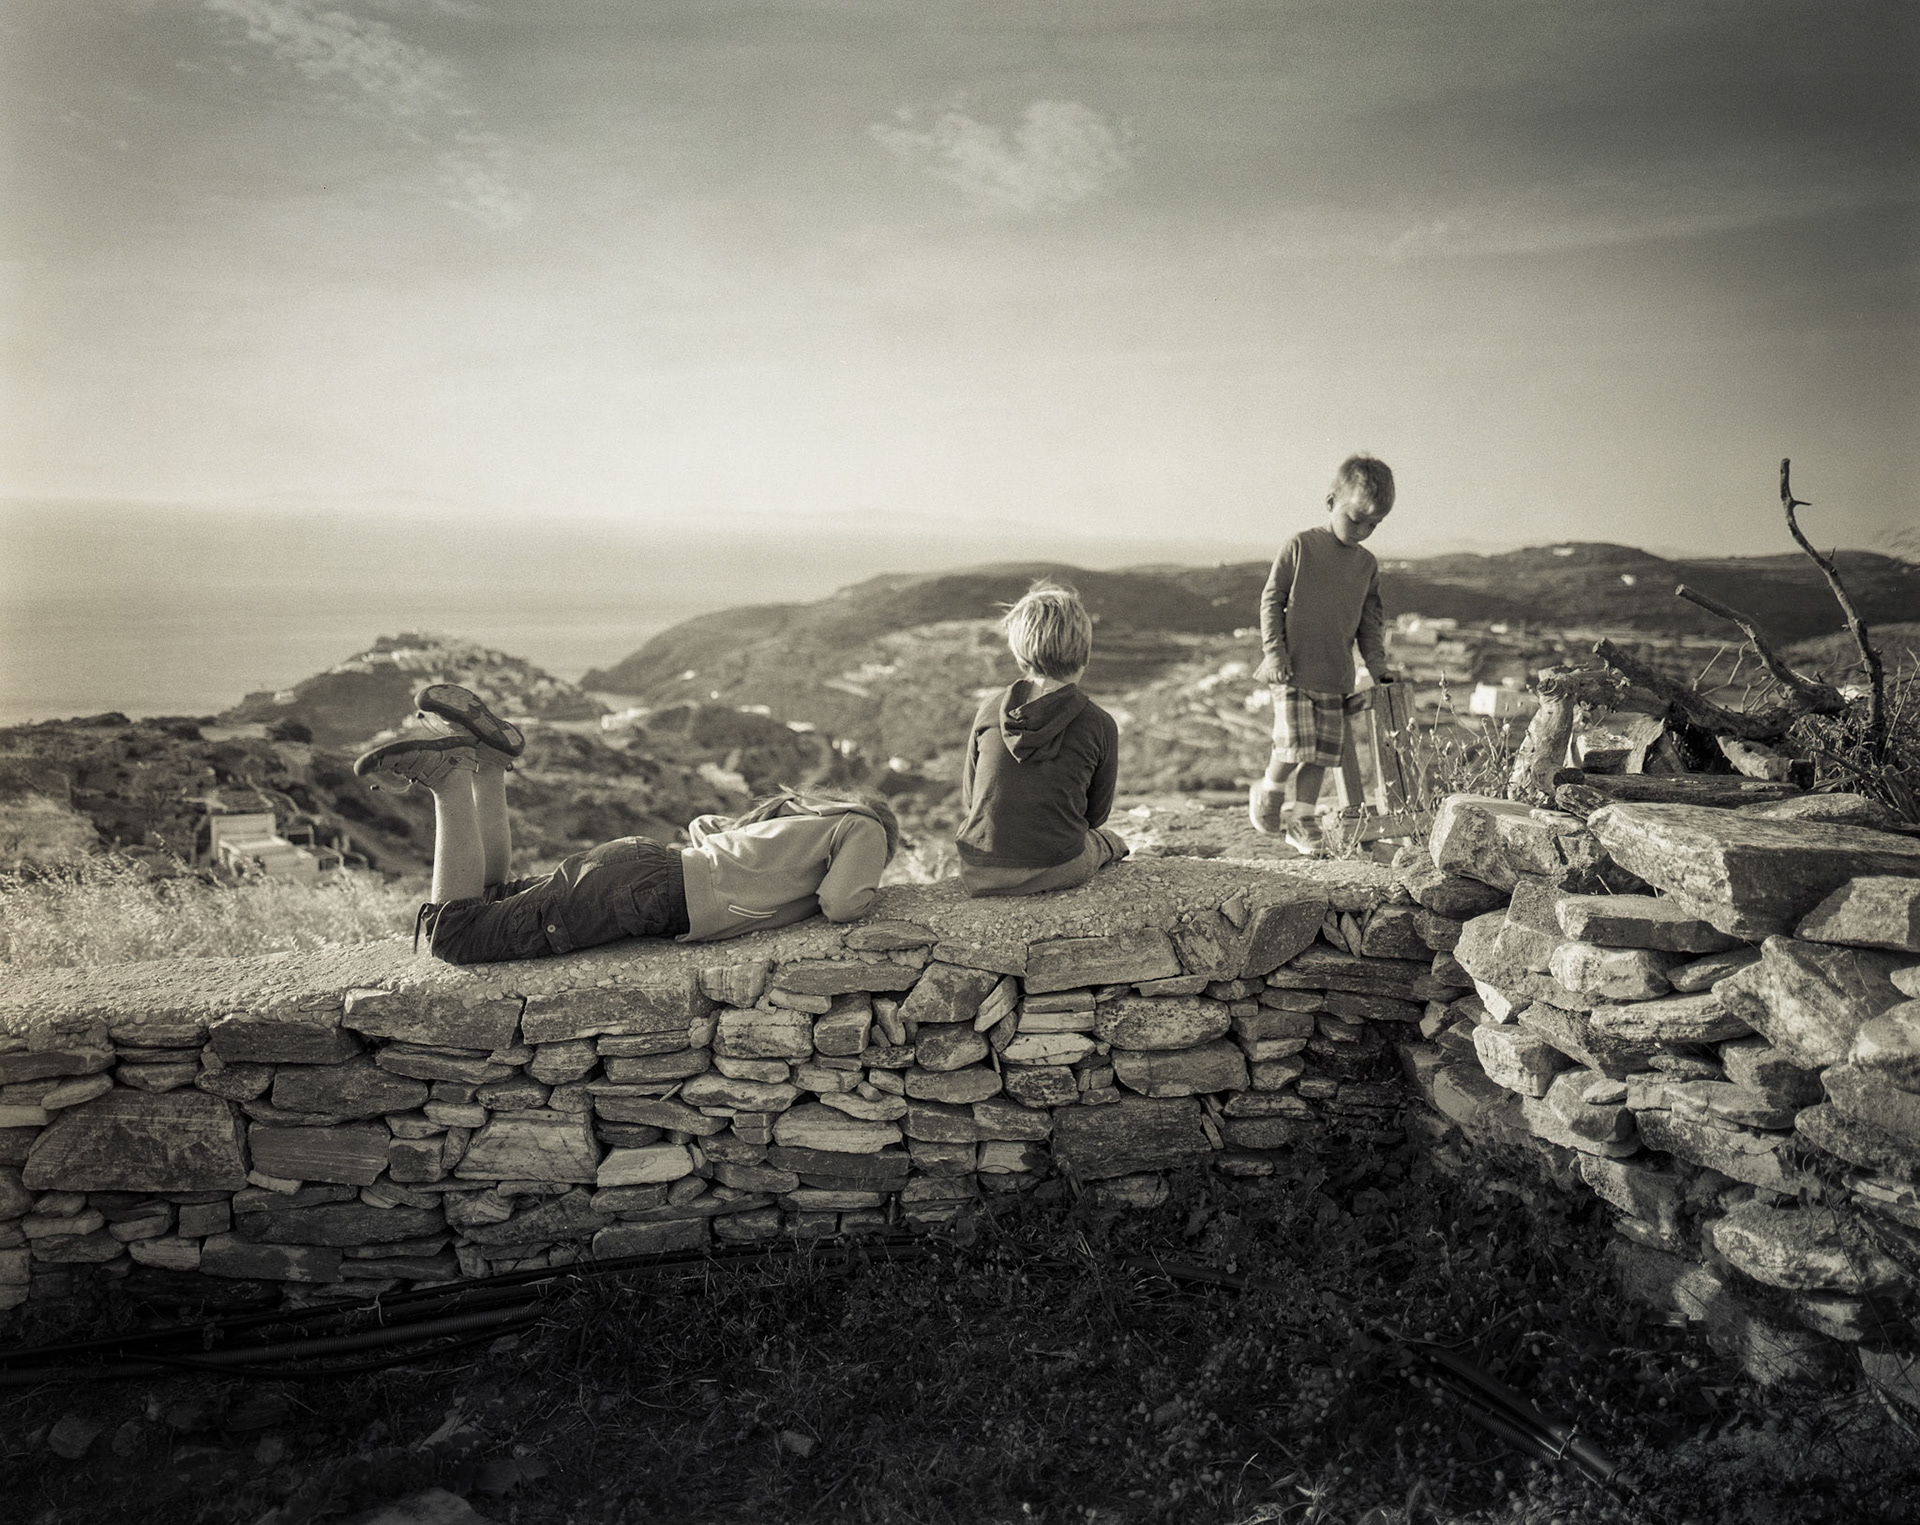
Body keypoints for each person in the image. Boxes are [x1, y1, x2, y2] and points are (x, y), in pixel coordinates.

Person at [354, 685, 899, 964]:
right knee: (453, 935)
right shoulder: (863, 827)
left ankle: (489, 769)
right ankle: (449, 780)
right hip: (646, 894)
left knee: (486, 895)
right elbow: (843, 903)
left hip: (641, 866)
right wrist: (873, 885)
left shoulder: (800, 823)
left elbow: (705, 826)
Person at [1250, 453, 1399, 856]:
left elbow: (1371, 622)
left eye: (1375, 524)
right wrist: (1274, 653)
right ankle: (1269, 788)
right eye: (1356, 519)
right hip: (1292, 670)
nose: (1364, 530)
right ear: (1331, 501)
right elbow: (1271, 600)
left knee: (1321, 754)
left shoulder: (1367, 565)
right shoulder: (1300, 546)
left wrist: (1378, 666)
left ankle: (1302, 818)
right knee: (1293, 746)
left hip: (1335, 676)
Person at [953, 580, 1129, 897]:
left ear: (1019, 654)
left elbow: (972, 801)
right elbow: (1095, 816)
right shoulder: (1099, 723)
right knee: (1108, 841)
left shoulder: (990, 710)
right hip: (1058, 866)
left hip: (978, 869)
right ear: (1085, 654)